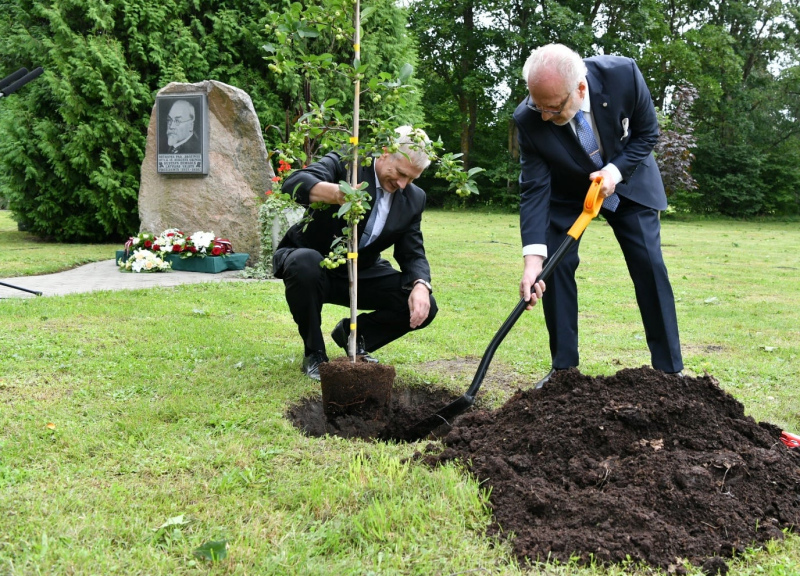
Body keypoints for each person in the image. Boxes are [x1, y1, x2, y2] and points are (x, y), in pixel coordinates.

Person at [514, 43, 683, 388]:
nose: (544, 116)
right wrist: (533, 260)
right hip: (567, 194)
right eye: (538, 107)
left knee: (649, 265)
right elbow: (534, 190)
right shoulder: (528, 118)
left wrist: (614, 173)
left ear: (580, 88)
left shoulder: (623, 75)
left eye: (553, 108)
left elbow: (647, 133)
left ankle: (669, 371)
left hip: (628, 179)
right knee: (555, 269)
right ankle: (564, 373)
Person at [272, 126, 438, 380]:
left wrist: (420, 284)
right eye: (402, 173)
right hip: (313, 266)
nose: (404, 184)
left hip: (361, 272)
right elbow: (293, 184)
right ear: (385, 152)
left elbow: (412, 252)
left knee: (424, 304)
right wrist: (338, 194)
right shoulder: (347, 163)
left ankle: (355, 336)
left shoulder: (414, 199)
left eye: (412, 179)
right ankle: (315, 353)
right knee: (305, 262)